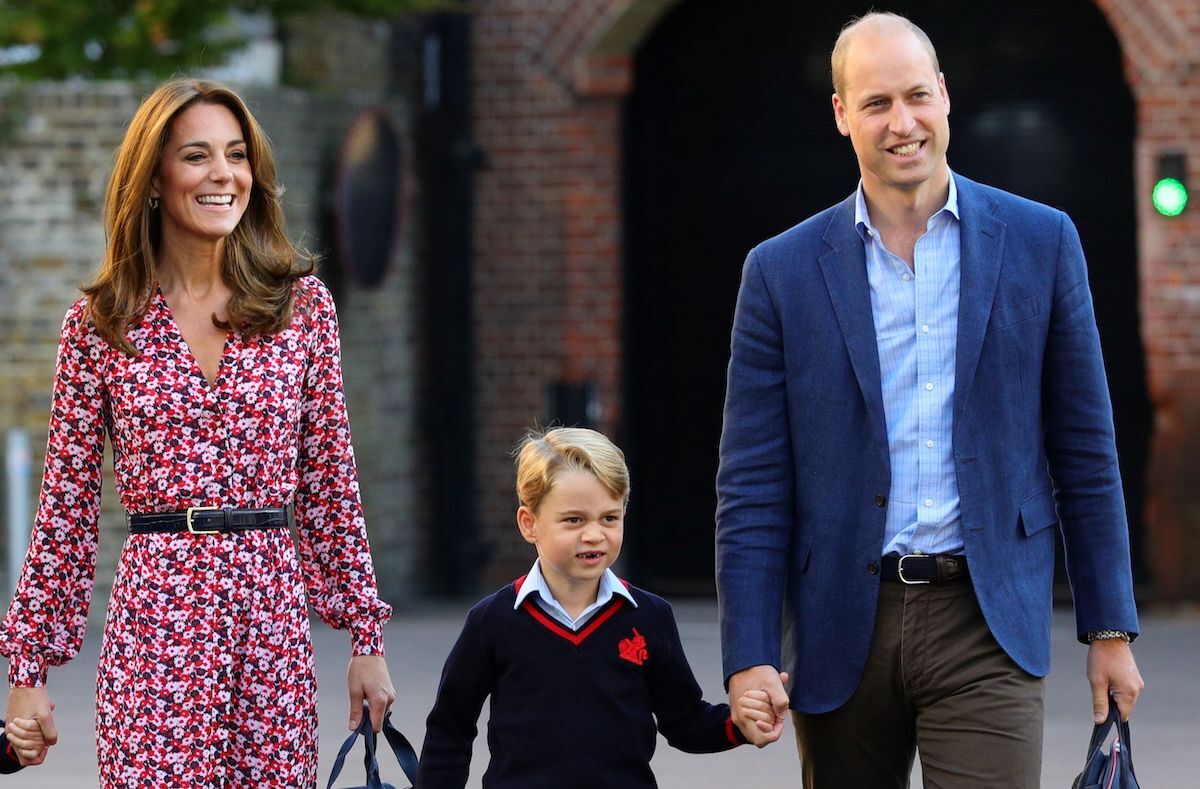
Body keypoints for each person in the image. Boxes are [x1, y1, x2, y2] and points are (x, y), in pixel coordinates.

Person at [715, 11, 1144, 786]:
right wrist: (749, 652)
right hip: (841, 621)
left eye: (916, 95)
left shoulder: (1042, 242)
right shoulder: (779, 272)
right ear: (842, 114)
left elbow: (1085, 452)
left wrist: (1109, 627)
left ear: (944, 95)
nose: (902, 122)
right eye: (876, 103)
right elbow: (752, 484)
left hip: (987, 619)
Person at [0, 78, 396, 786]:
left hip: (271, 624)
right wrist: (27, 670)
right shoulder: (101, 323)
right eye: (197, 156)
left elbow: (330, 484)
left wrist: (366, 639)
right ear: (154, 178)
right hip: (156, 624)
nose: (223, 174)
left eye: (237, 155)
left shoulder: (302, 308)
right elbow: (65, 509)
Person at [418, 427, 779, 788]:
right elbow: (450, 728)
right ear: (529, 524)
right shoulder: (492, 621)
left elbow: (685, 721)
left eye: (609, 518)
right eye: (573, 520)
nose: (594, 535)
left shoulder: (650, 616)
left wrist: (740, 724)